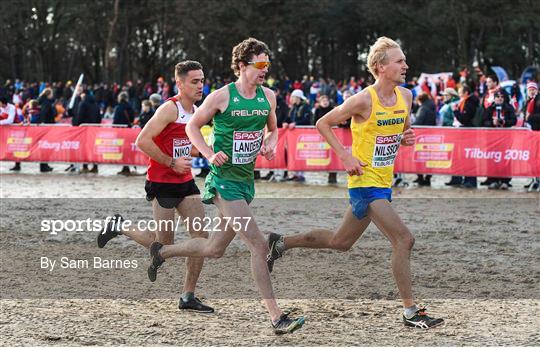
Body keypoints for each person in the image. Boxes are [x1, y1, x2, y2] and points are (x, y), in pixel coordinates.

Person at [266, 37, 444, 329]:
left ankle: (281, 243)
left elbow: (403, 130)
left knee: (341, 242)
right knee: (404, 239)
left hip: (384, 182)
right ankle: (411, 312)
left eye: (404, 60)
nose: (406, 65)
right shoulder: (363, 99)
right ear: (381, 67)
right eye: (399, 61)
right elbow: (323, 122)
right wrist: (345, 155)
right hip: (364, 182)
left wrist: (405, 137)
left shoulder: (407, 96)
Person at [144, 38, 305, 335]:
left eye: (267, 65)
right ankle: (277, 317)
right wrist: (207, 153)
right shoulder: (221, 97)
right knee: (258, 244)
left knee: (214, 248)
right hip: (223, 183)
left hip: (245, 182)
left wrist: (270, 144)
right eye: (259, 65)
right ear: (242, 66)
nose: (264, 70)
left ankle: (161, 253)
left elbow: (274, 129)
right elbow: (193, 127)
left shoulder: (267, 96)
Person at [97, 61, 213, 313]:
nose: (200, 86)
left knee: (201, 239)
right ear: (179, 84)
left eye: (202, 80)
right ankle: (120, 226)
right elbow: (142, 141)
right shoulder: (169, 110)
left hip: (186, 183)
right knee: (163, 244)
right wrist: (171, 162)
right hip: (161, 182)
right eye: (194, 81)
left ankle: (188, 296)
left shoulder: (198, 111)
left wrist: (211, 154)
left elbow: (189, 145)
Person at [482, 91, 516, 190]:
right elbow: (483, 121)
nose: (500, 98)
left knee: (506, 158)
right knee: (492, 159)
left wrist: (505, 122)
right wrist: (492, 123)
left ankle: (505, 180)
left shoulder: (509, 108)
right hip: (492, 138)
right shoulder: (489, 108)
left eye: (502, 97)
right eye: (497, 96)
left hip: (506, 137)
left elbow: (514, 120)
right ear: (494, 98)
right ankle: (493, 179)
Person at [412, 92, 436, 186]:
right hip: (431, 135)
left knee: (420, 157)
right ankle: (428, 177)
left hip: (421, 137)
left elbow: (419, 121)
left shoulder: (423, 108)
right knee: (429, 158)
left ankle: (420, 177)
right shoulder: (432, 107)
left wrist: (410, 126)